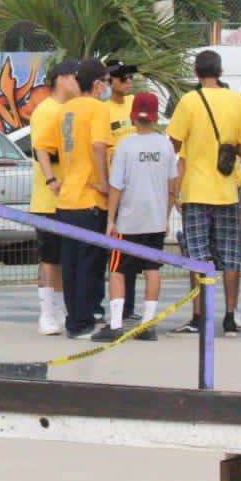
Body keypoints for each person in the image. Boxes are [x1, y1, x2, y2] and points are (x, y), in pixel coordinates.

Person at [165, 50, 241, 337]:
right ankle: (230, 315)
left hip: (196, 190)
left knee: (197, 255)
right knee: (231, 255)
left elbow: (174, 144)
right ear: (220, 71)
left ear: (197, 72)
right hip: (227, 189)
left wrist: (173, 186)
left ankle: (199, 315)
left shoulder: (189, 102)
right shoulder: (237, 101)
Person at [34, 58, 113, 339]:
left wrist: (52, 179)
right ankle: (82, 322)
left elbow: (41, 147)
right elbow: (99, 147)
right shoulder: (97, 109)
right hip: (90, 198)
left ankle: (74, 321)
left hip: (66, 200)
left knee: (71, 265)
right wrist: (104, 182)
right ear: (96, 84)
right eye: (106, 80)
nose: (109, 85)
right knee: (90, 265)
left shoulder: (64, 111)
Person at [92, 92, 174, 343]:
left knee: (117, 269)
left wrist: (110, 219)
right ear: (154, 115)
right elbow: (173, 185)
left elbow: (116, 186)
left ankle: (116, 323)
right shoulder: (165, 144)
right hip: (156, 219)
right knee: (152, 268)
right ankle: (147, 323)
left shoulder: (126, 145)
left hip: (129, 220)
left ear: (132, 116)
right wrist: (166, 215)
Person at [30, 60, 79, 335]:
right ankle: (47, 312)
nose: (77, 83)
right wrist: (51, 180)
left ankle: (60, 309)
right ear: (60, 79)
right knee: (50, 258)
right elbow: (42, 150)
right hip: (49, 199)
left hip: (71, 197)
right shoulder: (46, 111)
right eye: (74, 77)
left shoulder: (70, 109)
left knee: (63, 258)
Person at [103, 60, 139, 322]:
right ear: (110, 81)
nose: (129, 83)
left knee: (135, 252)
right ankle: (117, 306)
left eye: (130, 78)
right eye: (124, 78)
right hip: (116, 186)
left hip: (137, 188)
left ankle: (130, 307)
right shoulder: (104, 110)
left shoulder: (135, 104)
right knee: (117, 252)